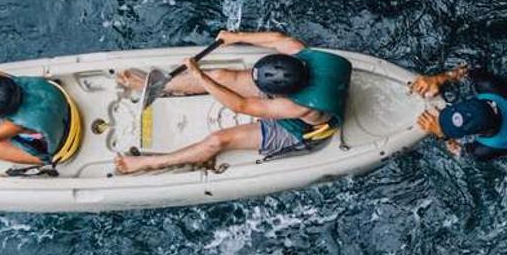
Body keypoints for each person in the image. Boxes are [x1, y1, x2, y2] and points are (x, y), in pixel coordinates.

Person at [113, 29, 350, 175]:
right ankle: (158, 85)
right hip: (304, 90)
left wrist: (199, 76)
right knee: (221, 77)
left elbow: (241, 106)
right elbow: (277, 38)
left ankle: (147, 163)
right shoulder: (299, 53)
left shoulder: (296, 106)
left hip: (301, 129)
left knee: (218, 140)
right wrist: (234, 38)